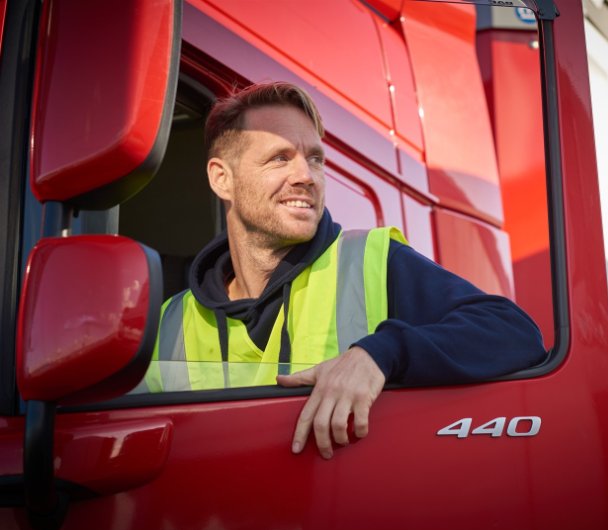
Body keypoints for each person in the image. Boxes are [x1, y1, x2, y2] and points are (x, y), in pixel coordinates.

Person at [145, 82, 547, 459]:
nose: (306, 176)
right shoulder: (170, 323)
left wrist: (379, 354)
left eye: (314, 159)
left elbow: (514, 332)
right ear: (222, 179)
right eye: (279, 158)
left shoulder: (369, 259)